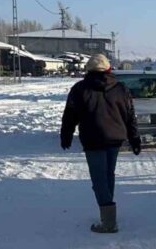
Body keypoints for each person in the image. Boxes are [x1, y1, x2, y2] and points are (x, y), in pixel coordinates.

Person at [60, 54, 140, 233]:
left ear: (88, 69)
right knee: (108, 175)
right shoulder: (121, 89)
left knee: (99, 179)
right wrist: (134, 138)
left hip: (93, 139)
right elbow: (130, 116)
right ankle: (108, 212)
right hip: (115, 138)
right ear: (108, 68)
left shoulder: (79, 88)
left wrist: (66, 135)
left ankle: (108, 222)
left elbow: (70, 115)